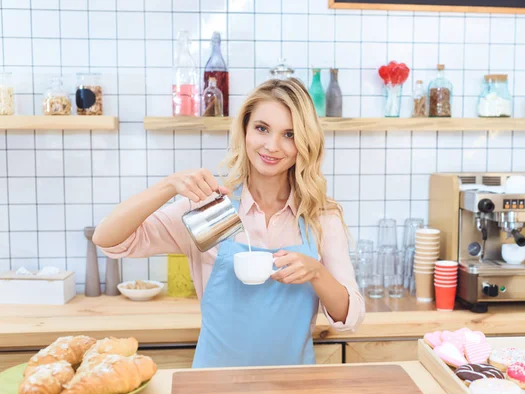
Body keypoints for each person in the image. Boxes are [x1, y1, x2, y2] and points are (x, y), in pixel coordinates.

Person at [93, 78, 365, 368]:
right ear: (245, 130)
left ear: (305, 142)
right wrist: (169, 186)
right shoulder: (213, 207)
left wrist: (317, 273)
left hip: (293, 386)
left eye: (289, 134)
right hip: (214, 386)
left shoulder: (318, 216)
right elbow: (109, 240)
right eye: (262, 128)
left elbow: (351, 317)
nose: (272, 146)